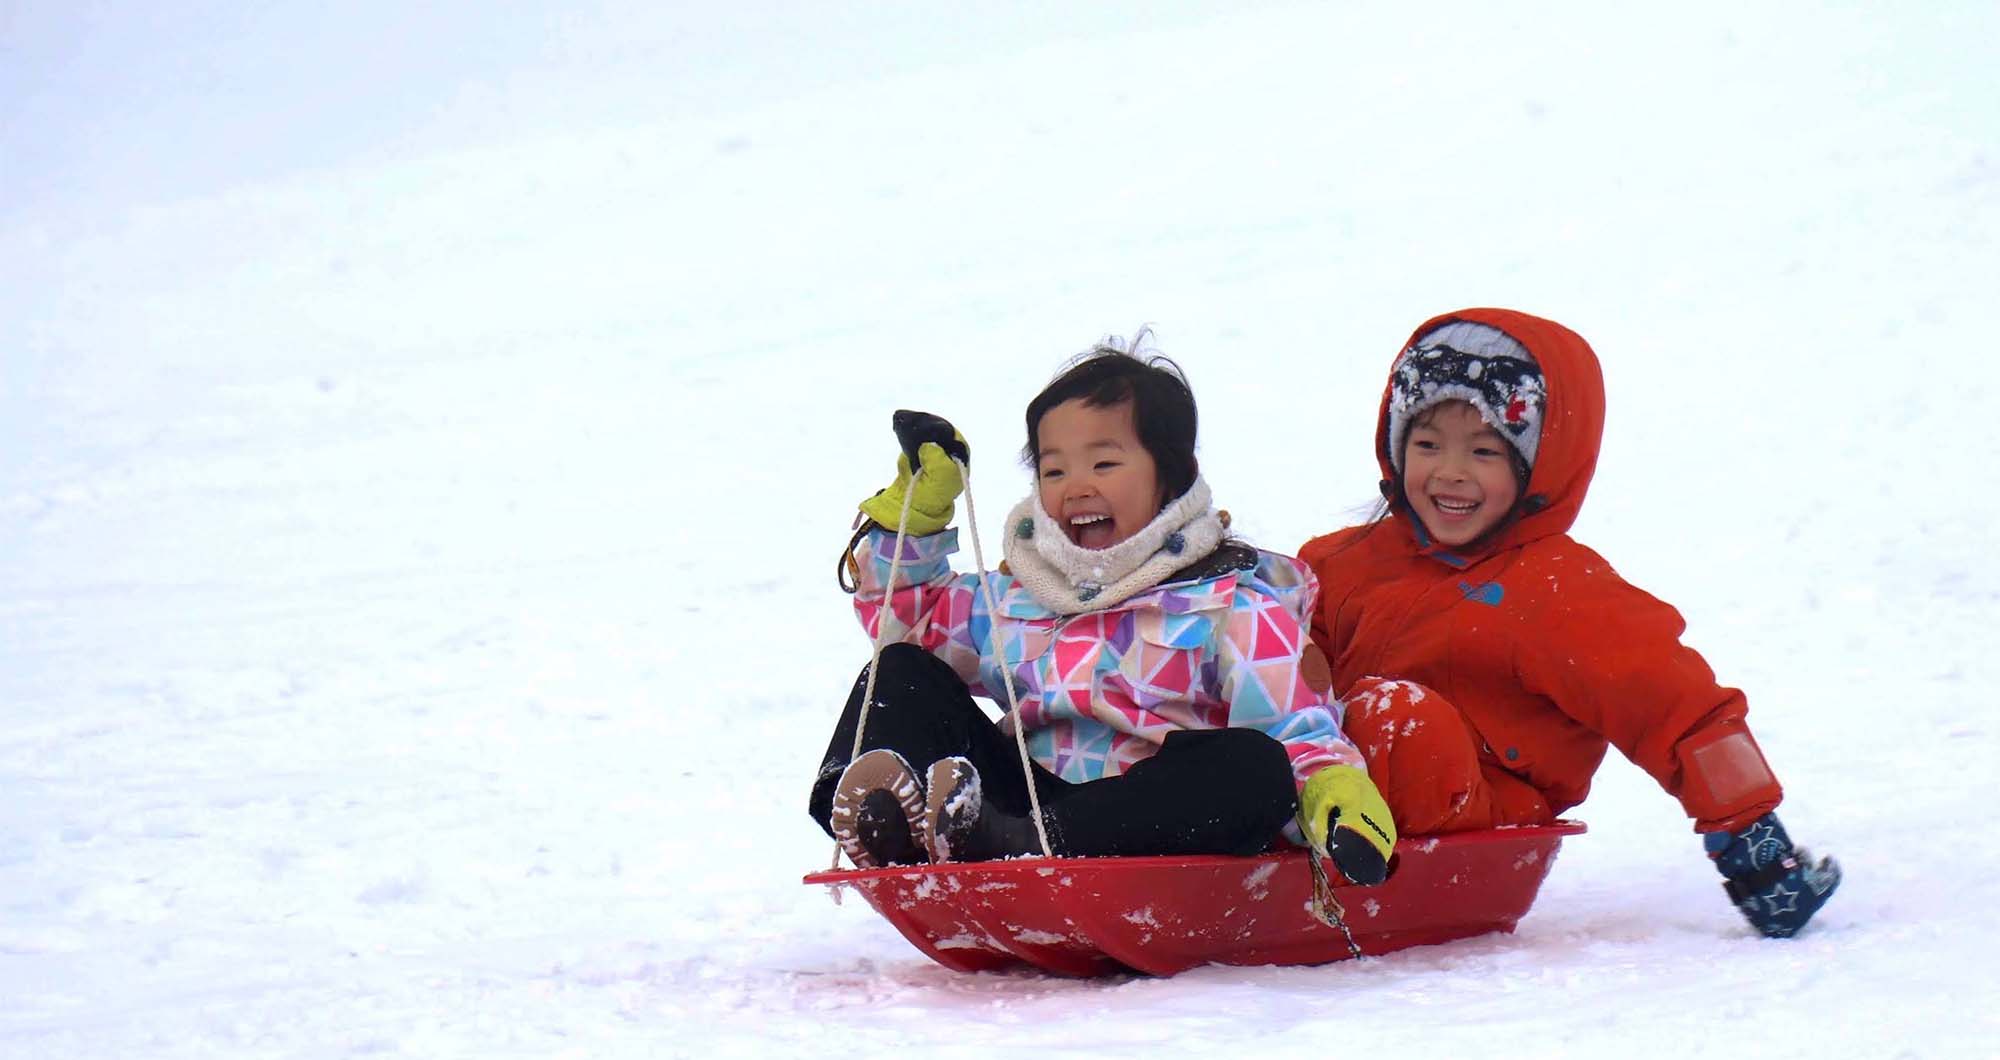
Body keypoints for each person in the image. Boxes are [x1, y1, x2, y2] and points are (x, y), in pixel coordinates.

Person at [1297, 308, 1841, 938]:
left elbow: (1675, 705)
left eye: (1484, 451)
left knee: (1391, 716)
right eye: (1426, 445)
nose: (1450, 471)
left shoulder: (1555, 592)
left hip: (1473, 814)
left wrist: (1753, 840)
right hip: (1330, 787)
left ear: (1540, 467)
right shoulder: (1340, 563)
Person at [808, 334, 1394, 885]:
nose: (1075, 485)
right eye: (1053, 469)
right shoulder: (1021, 594)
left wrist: (1336, 797)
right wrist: (918, 515)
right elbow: (910, 621)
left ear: (1172, 477)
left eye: (1104, 464)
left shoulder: (1230, 603)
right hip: (1014, 800)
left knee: (1256, 768)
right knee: (902, 669)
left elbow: (1296, 728)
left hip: (1145, 820)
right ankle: (877, 814)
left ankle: (1020, 841)